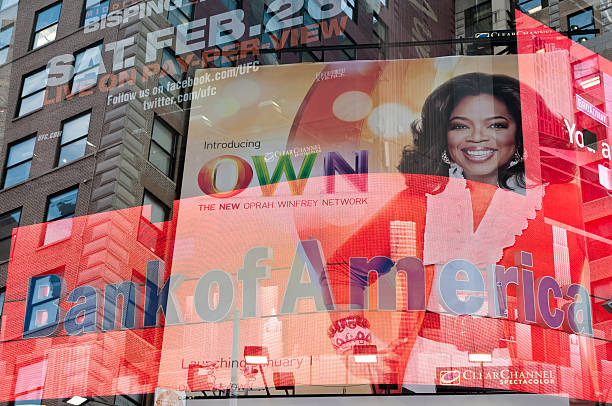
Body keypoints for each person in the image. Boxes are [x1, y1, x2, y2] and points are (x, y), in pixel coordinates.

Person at [322, 72, 587, 392]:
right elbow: (342, 271)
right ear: (442, 136)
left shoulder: (565, 201)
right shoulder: (420, 200)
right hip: (425, 376)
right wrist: (358, 346)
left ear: (521, 131)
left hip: (525, 381)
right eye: (460, 125)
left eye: (497, 125)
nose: (477, 138)